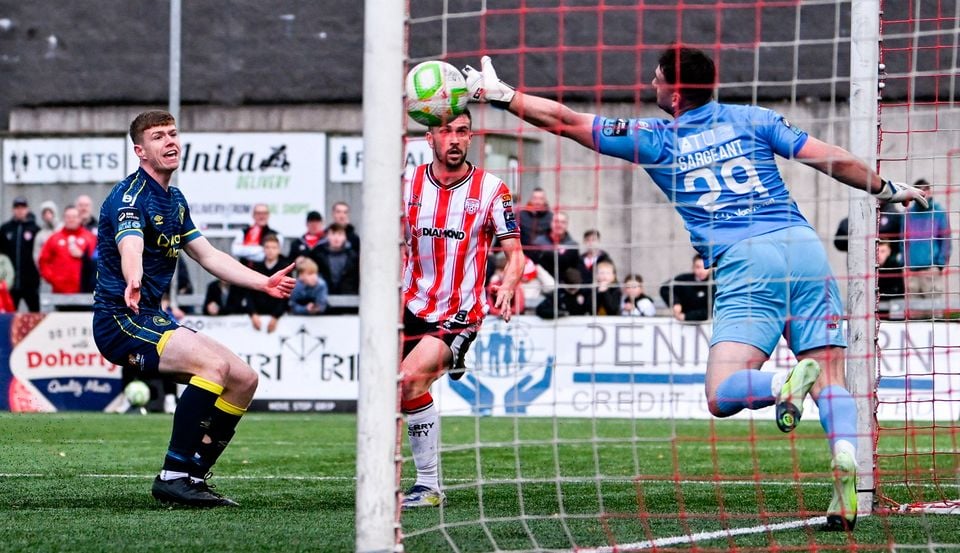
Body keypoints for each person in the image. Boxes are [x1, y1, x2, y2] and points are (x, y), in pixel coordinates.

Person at [464, 47, 928, 530]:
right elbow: (829, 158)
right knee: (832, 377)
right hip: (803, 248)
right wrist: (886, 188)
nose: (652, 84)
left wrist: (504, 96)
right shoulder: (754, 117)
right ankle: (846, 467)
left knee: (721, 394)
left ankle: (779, 383)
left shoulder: (656, 137)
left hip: (748, 262)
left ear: (676, 92)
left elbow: (566, 121)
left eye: (658, 79)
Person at [92, 110, 296, 508]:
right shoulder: (130, 197)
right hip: (121, 319)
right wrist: (133, 276)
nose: (170, 142)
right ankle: (173, 475)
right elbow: (129, 241)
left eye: (173, 134)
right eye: (158, 137)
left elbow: (208, 255)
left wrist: (262, 281)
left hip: (152, 316)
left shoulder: (175, 199)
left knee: (244, 379)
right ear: (140, 151)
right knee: (213, 369)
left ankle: (194, 477)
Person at [400, 108, 523, 509]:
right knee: (390, 394)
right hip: (409, 305)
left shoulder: (492, 189)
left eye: (463, 132)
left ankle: (429, 486)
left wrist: (508, 282)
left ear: (471, 138)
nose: (454, 139)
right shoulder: (408, 184)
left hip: (459, 311)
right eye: (446, 131)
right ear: (430, 137)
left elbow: (515, 253)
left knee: (409, 381)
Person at [902, 179, 952, 309]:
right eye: (919, 191)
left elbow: (946, 241)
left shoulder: (939, 213)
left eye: (925, 191)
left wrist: (939, 265)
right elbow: (902, 242)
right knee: (913, 313)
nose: (923, 194)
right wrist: (905, 264)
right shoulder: (908, 214)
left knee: (933, 313)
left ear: (930, 192)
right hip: (912, 272)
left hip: (931, 270)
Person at [38, 205, 97, 295]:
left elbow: (98, 261)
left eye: (74, 217)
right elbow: (43, 261)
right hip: (60, 291)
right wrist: (52, 279)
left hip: (85, 291)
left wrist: (83, 256)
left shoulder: (90, 238)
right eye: (68, 217)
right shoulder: (54, 238)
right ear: (63, 218)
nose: (71, 220)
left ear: (79, 219)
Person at [0, 196, 42, 311]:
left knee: (34, 314)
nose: (20, 210)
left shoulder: (35, 229)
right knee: (9, 316)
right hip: (11, 283)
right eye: (17, 207)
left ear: (27, 209)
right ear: (13, 209)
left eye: (22, 207)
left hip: (31, 282)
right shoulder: (5, 229)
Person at [249, 234, 289, 333]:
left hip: (278, 316)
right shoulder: (256, 267)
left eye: (274, 247)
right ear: (263, 249)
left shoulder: (284, 268)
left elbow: (286, 295)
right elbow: (249, 293)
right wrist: (253, 313)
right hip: (257, 316)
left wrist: (275, 317)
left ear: (279, 250)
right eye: (267, 247)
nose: (270, 250)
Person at [308, 222, 360, 300]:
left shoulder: (353, 257)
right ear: (327, 236)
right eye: (333, 234)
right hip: (323, 298)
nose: (336, 238)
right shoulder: (317, 255)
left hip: (348, 298)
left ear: (345, 237)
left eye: (340, 234)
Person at [659, 254, 714, 322]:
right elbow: (665, 288)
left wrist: (686, 316)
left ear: (711, 268)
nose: (701, 271)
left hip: (707, 325)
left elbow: (712, 310)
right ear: (693, 267)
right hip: (681, 325)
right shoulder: (684, 279)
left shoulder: (715, 283)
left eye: (705, 267)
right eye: (698, 267)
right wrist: (675, 303)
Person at [531, 211, 579, 280]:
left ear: (567, 225)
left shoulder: (572, 245)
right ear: (551, 223)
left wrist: (545, 253)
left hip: (564, 285)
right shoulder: (538, 242)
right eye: (556, 221)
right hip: (542, 283)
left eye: (563, 222)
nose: (559, 225)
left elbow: (566, 265)